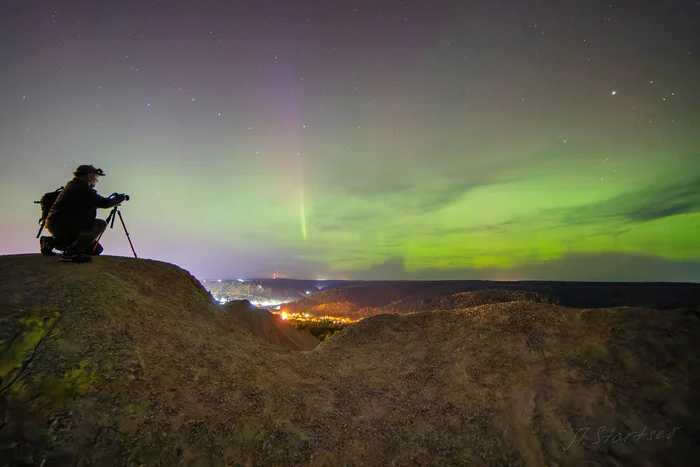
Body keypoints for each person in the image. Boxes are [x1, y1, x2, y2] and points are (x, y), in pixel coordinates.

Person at [43, 165, 127, 262]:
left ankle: (50, 242)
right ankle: (70, 254)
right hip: (65, 225)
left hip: (61, 224)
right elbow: (104, 203)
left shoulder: (75, 186)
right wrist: (120, 199)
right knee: (99, 224)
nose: (97, 180)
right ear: (89, 175)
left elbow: (98, 201)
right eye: (96, 177)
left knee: (95, 249)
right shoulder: (81, 188)